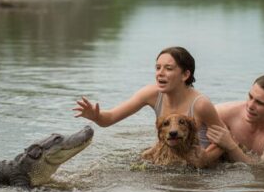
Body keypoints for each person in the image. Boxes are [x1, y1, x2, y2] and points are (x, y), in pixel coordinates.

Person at [74, 46, 225, 167]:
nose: (160, 73)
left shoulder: (200, 104)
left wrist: (205, 159)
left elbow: (225, 141)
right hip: (171, 157)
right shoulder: (151, 94)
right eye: (158, 68)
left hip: (198, 163)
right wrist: (96, 116)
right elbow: (109, 119)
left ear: (185, 75)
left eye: (168, 68)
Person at [205, 74, 264, 163]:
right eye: (250, 97)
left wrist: (230, 146)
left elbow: (263, 170)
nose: (250, 106)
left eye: (259, 103)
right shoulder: (225, 112)